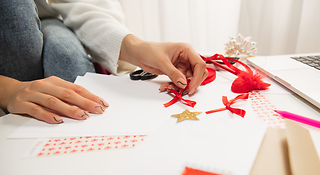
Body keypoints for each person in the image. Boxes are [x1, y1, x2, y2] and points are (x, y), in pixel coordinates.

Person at [0, 0, 208, 124]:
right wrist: (8, 89)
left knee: (65, 52)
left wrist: (134, 47)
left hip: (45, 15)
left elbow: (80, 4)